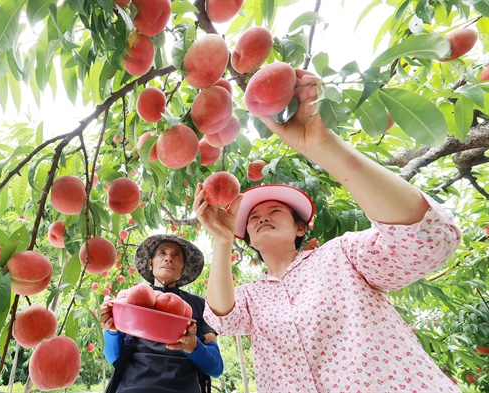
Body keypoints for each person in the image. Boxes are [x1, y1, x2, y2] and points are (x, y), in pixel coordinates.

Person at [193, 69, 462, 392]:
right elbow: (222, 319)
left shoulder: (342, 255)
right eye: (252, 218)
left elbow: (428, 240)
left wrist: (324, 146)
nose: (262, 217)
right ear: (247, 239)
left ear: (300, 228)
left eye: (276, 210)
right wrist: (222, 242)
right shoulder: (253, 296)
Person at [100, 234, 223, 393]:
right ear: (151, 264)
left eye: (176, 255)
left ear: (183, 267)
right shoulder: (131, 298)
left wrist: (193, 346)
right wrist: (111, 328)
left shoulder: (199, 305)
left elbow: (216, 368)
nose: (169, 258)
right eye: (162, 253)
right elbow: (113, 358)